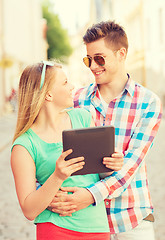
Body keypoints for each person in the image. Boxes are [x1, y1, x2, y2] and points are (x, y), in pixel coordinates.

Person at [48, 21, 162, 240]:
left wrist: (90, 195)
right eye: (88, 59)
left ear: (121, 54)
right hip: (84, 221)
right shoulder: (76, 99)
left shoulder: (148, 103)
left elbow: (130, 165)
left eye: (99, 58)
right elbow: (50, 146)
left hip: (130, 219)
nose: (92, 66)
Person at [10, 60, 124, 240]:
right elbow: (29, 210)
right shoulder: (24, 146)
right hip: (55, 229)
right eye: (64, 82)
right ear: (48, 94)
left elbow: (98, 173)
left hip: (96, 226)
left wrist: (111, 164)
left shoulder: (83, 118)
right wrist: (57, 176)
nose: (72, 87)